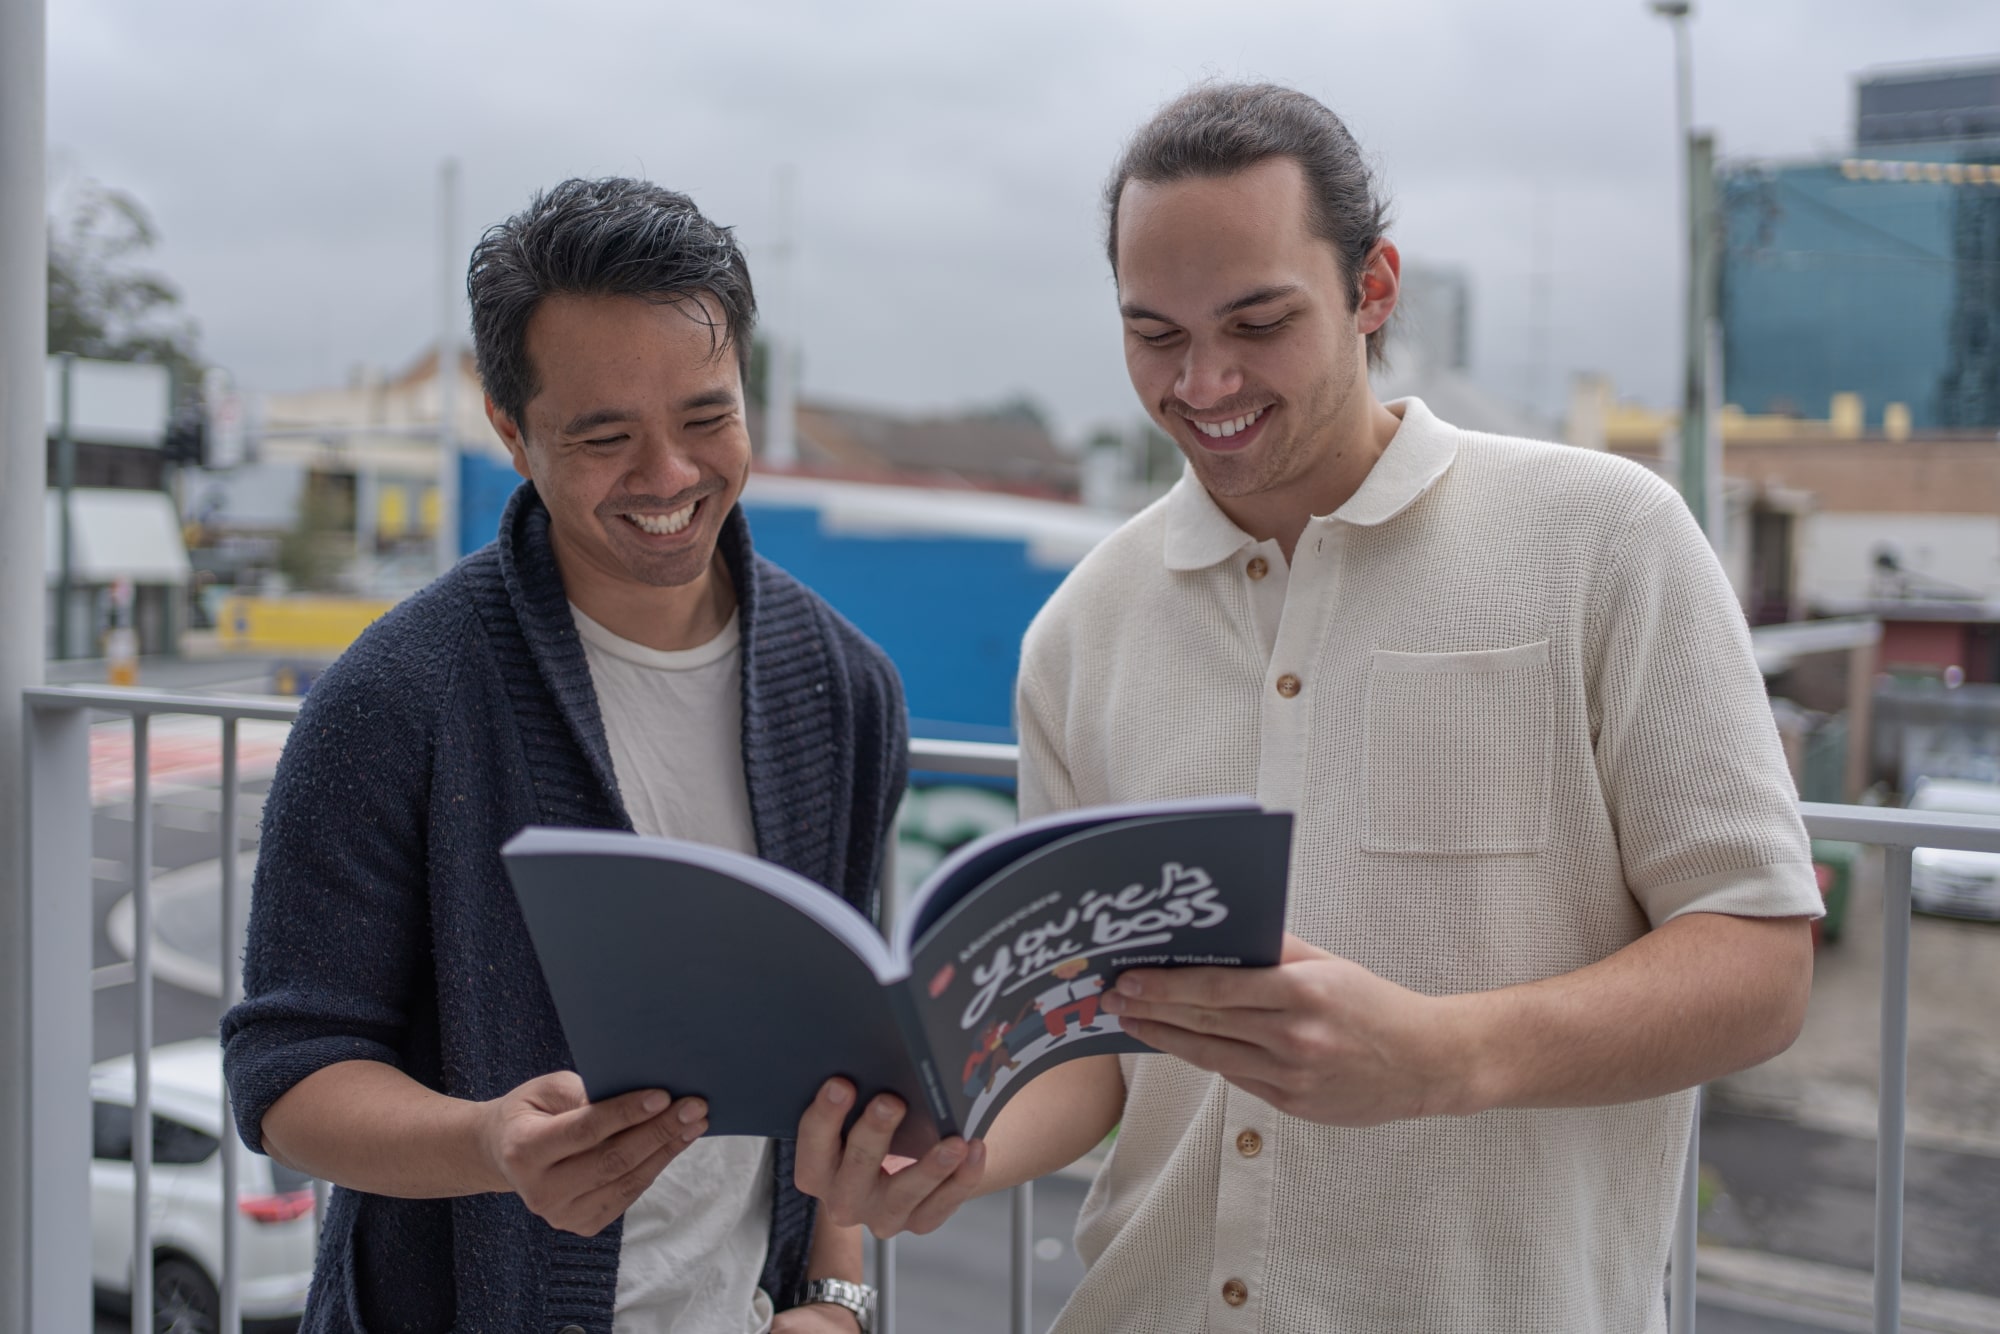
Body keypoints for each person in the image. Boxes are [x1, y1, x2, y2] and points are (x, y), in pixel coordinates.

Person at [792, 84, 1823, 1333]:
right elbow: (1097, 1060)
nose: (1202, 379)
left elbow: (1759, 964)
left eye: (1257, 320)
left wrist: (1443, 1055)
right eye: (1152, 333)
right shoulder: (1080, 629)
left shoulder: (1605, 540)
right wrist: (952, 1150)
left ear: (1372, 287)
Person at [223, 178, 902, 1334]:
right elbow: (286, 1078)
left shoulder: (840, 688)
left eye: (704, 417)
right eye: (602, 436)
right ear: (509, 429)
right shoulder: (393, 697)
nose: (669, 477)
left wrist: (833, 1298)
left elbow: (835, 1046)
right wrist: (488, 1142)